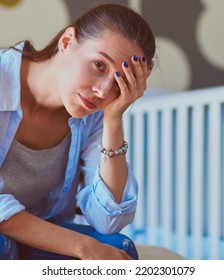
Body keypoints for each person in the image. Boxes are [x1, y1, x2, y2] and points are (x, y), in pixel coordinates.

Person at [0, 3, 155, 260]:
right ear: (67, 41)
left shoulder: (93, 116)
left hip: (36, 234)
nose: (103, 92)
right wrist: (82, 246)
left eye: (120, 83)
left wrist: (113, 119)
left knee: (120, 249)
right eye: (99, 65)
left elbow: (108, 221)